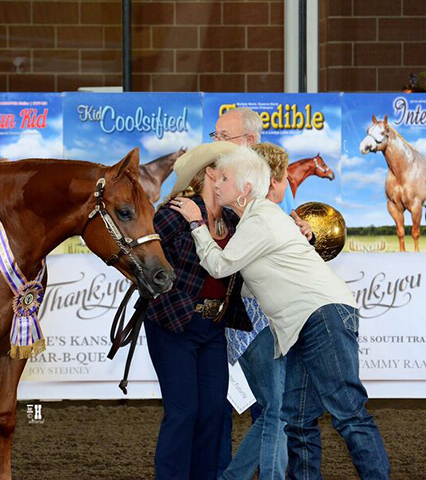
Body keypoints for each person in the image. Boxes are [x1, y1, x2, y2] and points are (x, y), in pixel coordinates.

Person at [171, 144, 390, 480]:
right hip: (311, 320)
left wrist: (197, 224)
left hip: (319, 316)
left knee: (347, 413)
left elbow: (219, 265)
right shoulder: (258, 218)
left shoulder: (259, 219)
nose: (216, 183)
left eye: (224, 178)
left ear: (245, 188)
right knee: (300, 420)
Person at [143, 141, 253, 480]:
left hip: (213, 328)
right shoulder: (173, 215)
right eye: (230, 172)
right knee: (184, 412)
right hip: (173, 326)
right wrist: (185, 312)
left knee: (212, 413)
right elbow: (147, 271)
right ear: (210, 173)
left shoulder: (234, 220)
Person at [211, 108, 311, 478]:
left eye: (224, 135)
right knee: (277, 410)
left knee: (274, 409)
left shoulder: (246, 200)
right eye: (281, 180)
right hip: (258, 320)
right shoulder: (248, 200)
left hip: (252, 322)